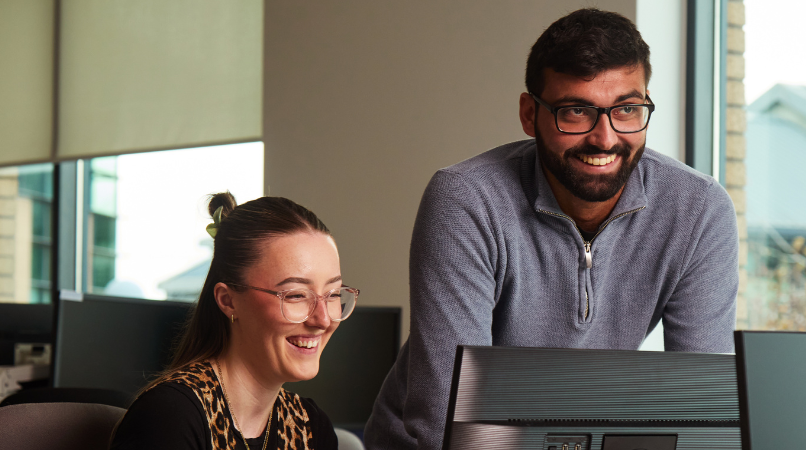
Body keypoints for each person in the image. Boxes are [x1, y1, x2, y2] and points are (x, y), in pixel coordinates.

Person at [364, 8, 738, 450]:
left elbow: (701, 413)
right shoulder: (466, 199)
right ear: (529, 113)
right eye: (576, 111)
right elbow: (444, 418)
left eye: (627, 109)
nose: (605, 137)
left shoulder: (699, 210)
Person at [111, 192, 359, 450]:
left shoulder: (309, 425)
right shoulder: (170, 418)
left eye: (332, 294)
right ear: (228, 301)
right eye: (296, 295)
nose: (323, 318)